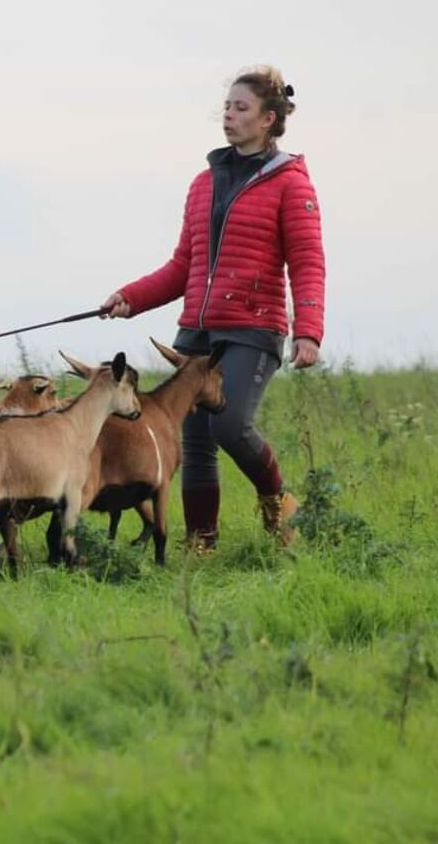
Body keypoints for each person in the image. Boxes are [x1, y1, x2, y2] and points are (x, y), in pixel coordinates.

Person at [100, 65, 325, 548]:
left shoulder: (291, 183)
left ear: (268, 118)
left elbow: (307, 262)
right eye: (226, 106)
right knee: (196, 439)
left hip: (252, 329)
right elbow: (183, 265)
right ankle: (201, 541)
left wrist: (308, 329)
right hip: (196, 332)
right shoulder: (204, 183)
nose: (229, 115)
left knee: (227, 422)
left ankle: (279, 508)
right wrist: (130, 297)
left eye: (240, 108)